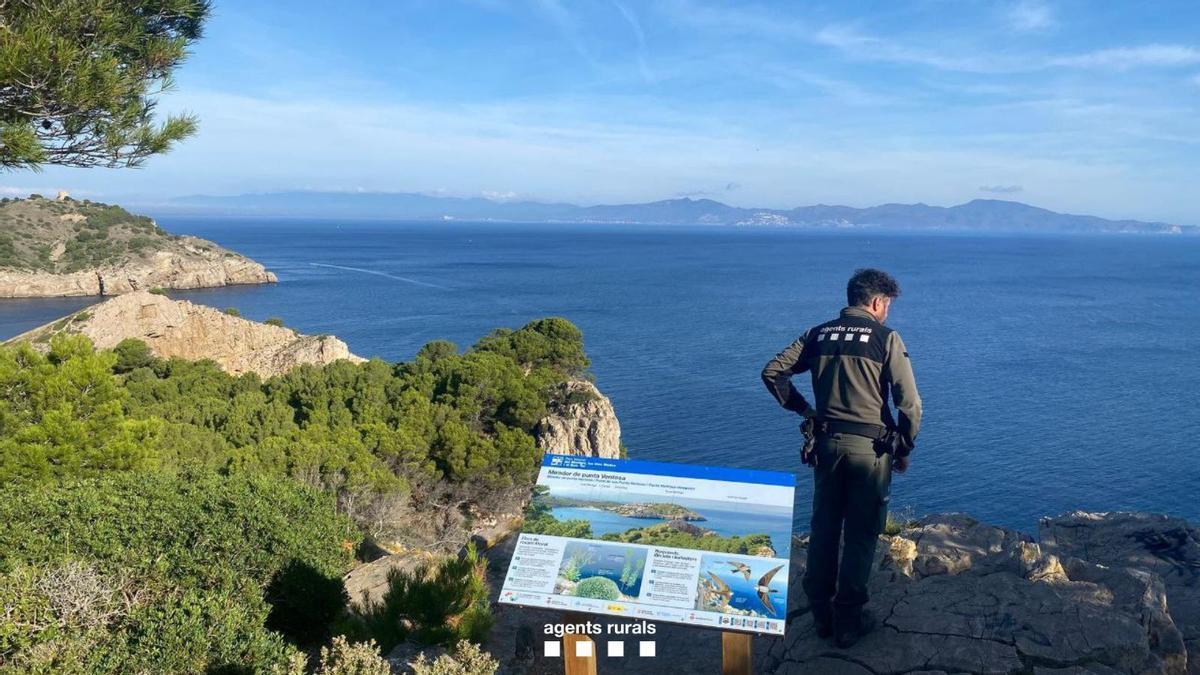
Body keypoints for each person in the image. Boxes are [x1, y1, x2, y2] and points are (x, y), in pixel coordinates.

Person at [760, 268, 922, 648]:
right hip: (870, 452)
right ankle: (848, 620)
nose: (888, 314)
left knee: (825, 528)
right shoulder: (885, 339)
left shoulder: (817, 334)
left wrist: (806, 410)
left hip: (826, 446)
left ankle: (820, 613)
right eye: (888, 306)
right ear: (878, 302)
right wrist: (904, 448)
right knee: (862, 533)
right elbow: (910, 404)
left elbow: (772, 372)